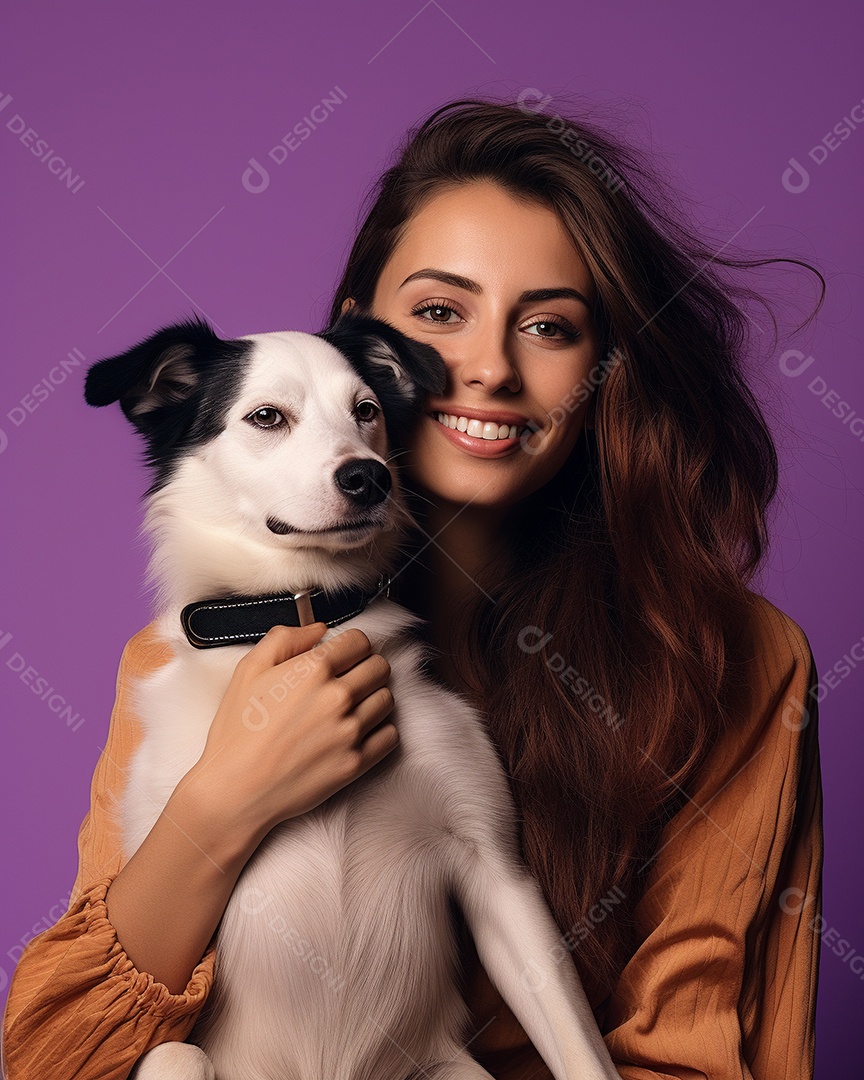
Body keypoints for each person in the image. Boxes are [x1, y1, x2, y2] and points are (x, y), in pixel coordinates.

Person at [1, 97, 825, 1080]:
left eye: (551, 327)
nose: (486, 369)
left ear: (602, 369)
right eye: (442, 312)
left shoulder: (725, 658)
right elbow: (52, 1061)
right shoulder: (174, 662)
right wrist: (222, 806)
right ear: (364, 339)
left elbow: (705, 1055)